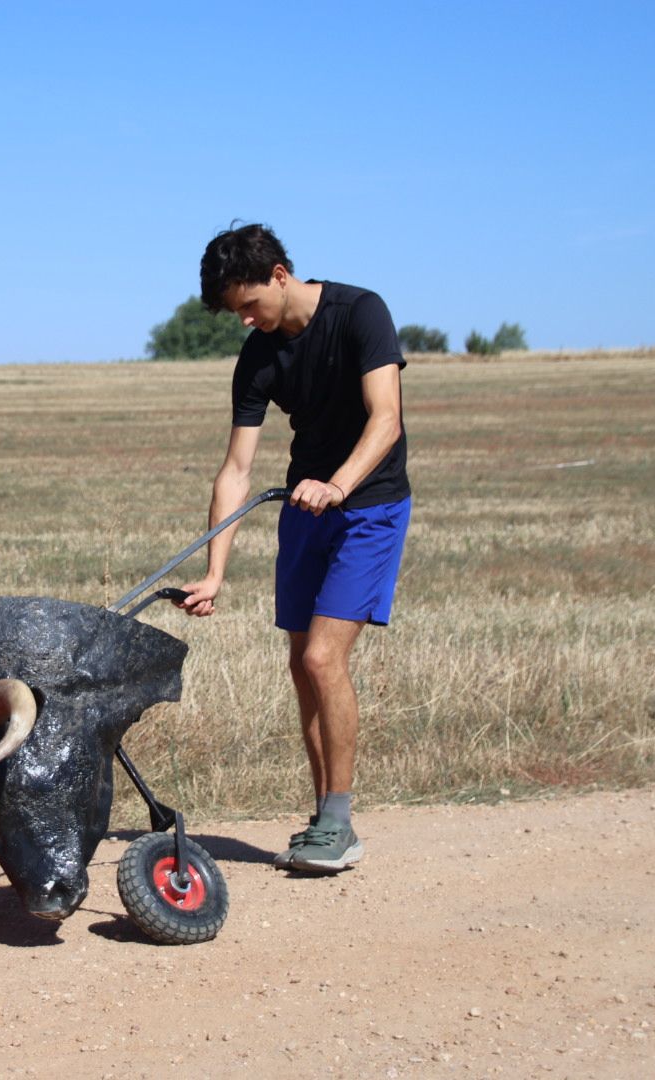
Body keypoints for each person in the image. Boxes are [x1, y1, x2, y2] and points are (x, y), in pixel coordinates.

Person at [177, 224, 410, 874]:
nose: (246, 319)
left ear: (280, 273)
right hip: (305, 512)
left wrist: (338, 484)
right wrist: (215, 571)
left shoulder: (361, 312)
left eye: (250, 303)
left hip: (368, 507)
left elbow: (385, 419)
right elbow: (236, 470)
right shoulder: (258, 356)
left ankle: (339, 821)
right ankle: (323, 819)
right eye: (236, 312)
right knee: (301, 669)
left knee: (321, 657)